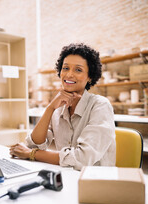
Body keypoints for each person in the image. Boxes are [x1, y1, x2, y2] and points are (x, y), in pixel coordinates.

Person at [10, 43, 116, 171]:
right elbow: (35, 144)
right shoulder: (59, 106)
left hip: (95, 180)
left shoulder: (100, 106)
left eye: (78, 70)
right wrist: (50, 108)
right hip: (66, 175)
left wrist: (30, 154)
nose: (69, 74)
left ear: (89, 77)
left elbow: (82, 159)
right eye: (65, 68)